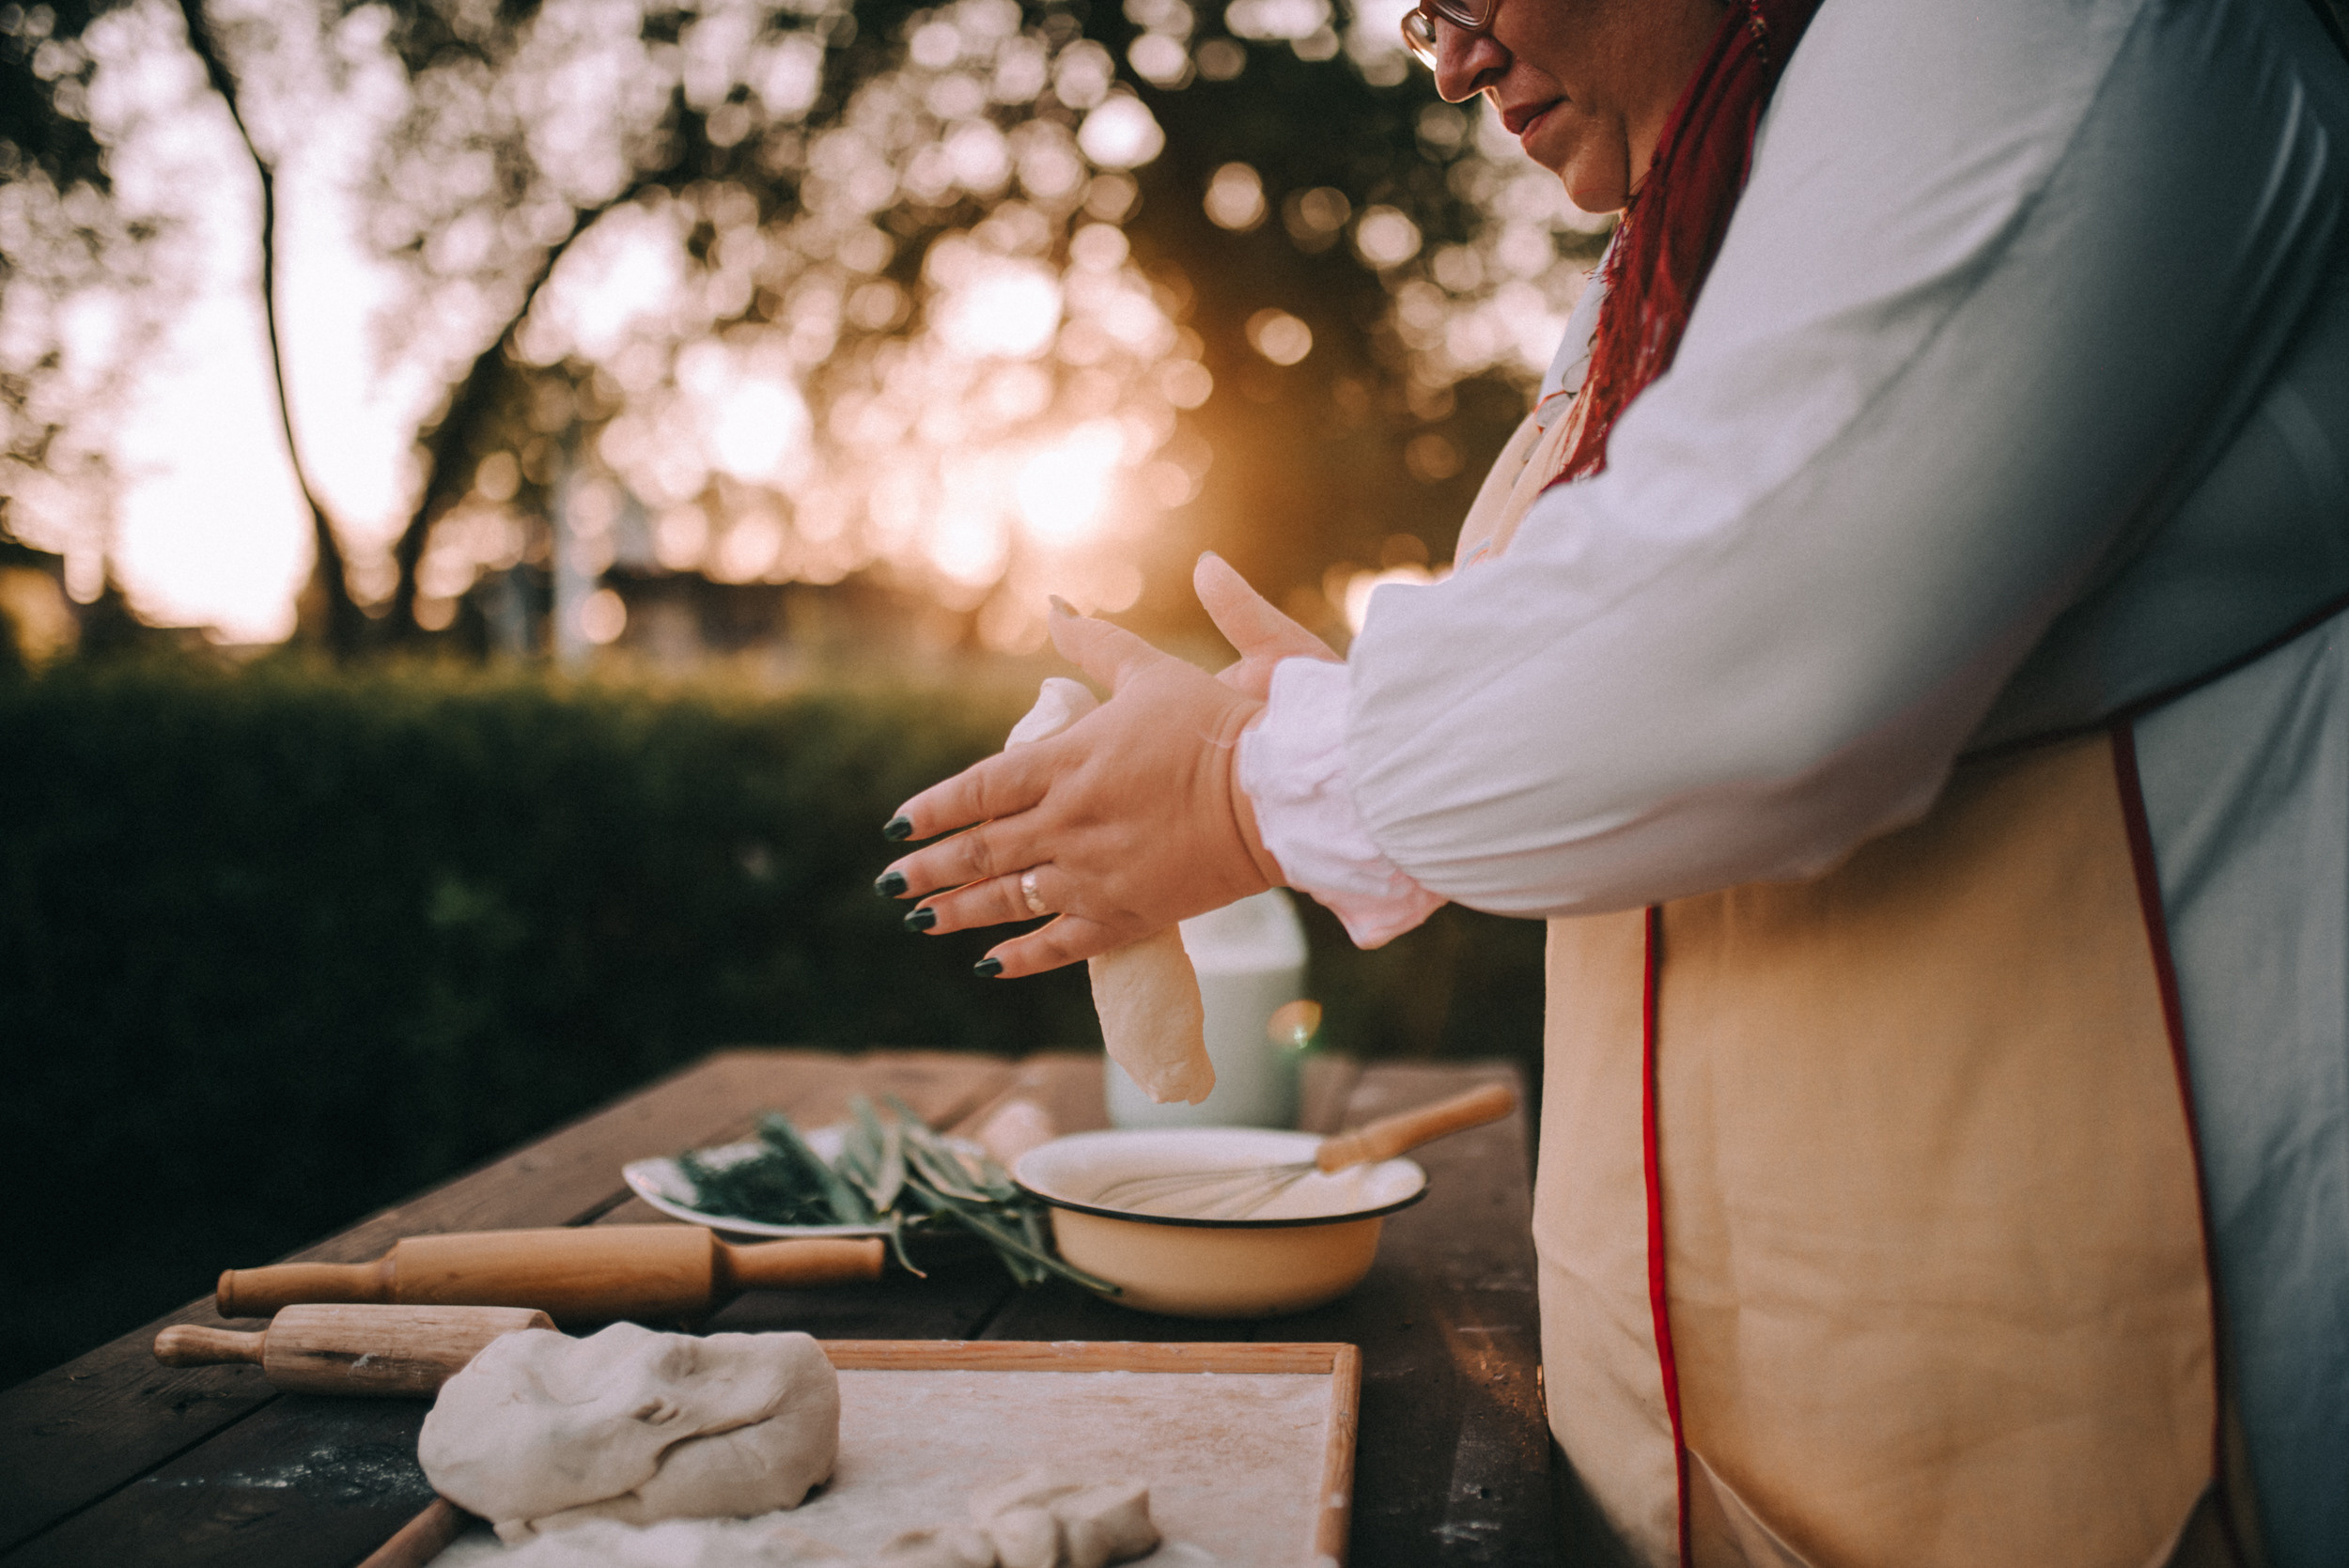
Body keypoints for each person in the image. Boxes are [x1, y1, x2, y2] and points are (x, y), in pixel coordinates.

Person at [879, 0, 2349, 1561]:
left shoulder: (2060, 30)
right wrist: (1342, 715)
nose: (1445, 54)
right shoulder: (1692, 221)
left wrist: (1244, 788)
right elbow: (1593, 687)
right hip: (1706, 1478)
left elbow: (1754, 629)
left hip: (2087, 1478)